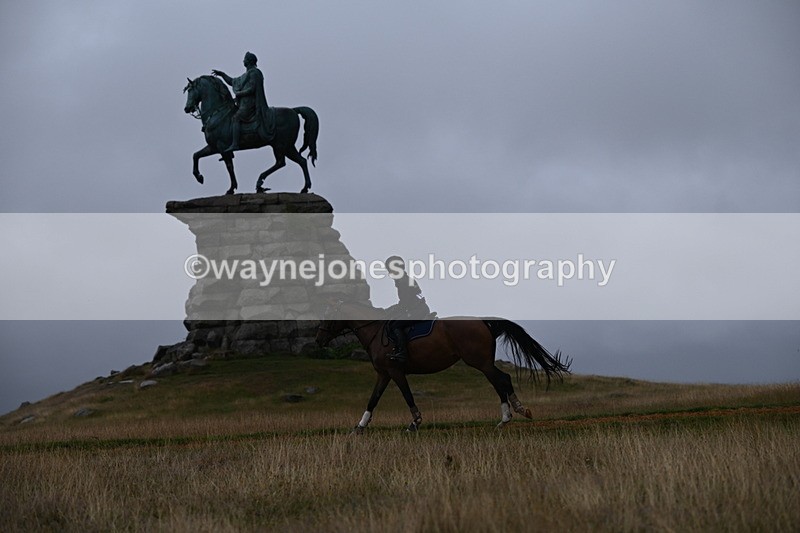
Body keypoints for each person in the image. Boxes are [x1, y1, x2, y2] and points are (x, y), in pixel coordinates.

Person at [212, 51, 274, 152]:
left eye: (244, 59)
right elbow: (233, 82)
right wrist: (222, 75)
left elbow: (252, 88)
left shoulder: (255, 73)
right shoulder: (246, 75)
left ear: (249, 61)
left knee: (236, 118)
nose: (243, 61)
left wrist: (240, 94)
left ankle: (235, 144)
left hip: (250, 105)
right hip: (243, 104)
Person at [384, 256, 433, 363]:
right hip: (417, 308)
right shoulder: (405, 279)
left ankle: (402, 353)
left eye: (390, 269)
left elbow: (405, 303)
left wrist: (390, 310)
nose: (389, 272)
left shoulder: (403, 281)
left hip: (417, 310)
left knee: (395, 325)